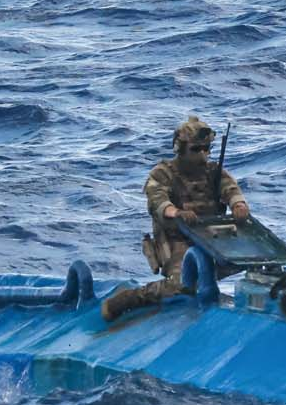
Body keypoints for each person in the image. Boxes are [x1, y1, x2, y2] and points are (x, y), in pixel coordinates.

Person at [101, 116, 250, 322]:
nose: (202, 155)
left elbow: (230, 189)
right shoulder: (163, 174)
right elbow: (158, 201)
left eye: (206, 149)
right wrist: (177, 213)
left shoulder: (213, 172)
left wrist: (238, 205)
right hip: (176, 240)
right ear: (180, 148)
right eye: (196, 149)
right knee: (181, 284)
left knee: (256, 262)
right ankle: (128, 299)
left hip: (212, 238)